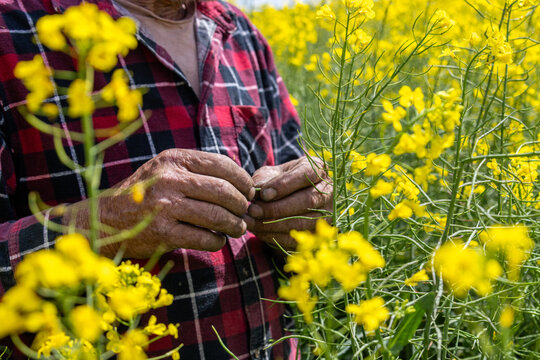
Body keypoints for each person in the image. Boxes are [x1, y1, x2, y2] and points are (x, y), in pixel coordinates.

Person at [0, 0, 332, 359]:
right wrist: (105, 225)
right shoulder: (11, 30)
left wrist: (310, 210)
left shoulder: (240, 32)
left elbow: (303, 201)